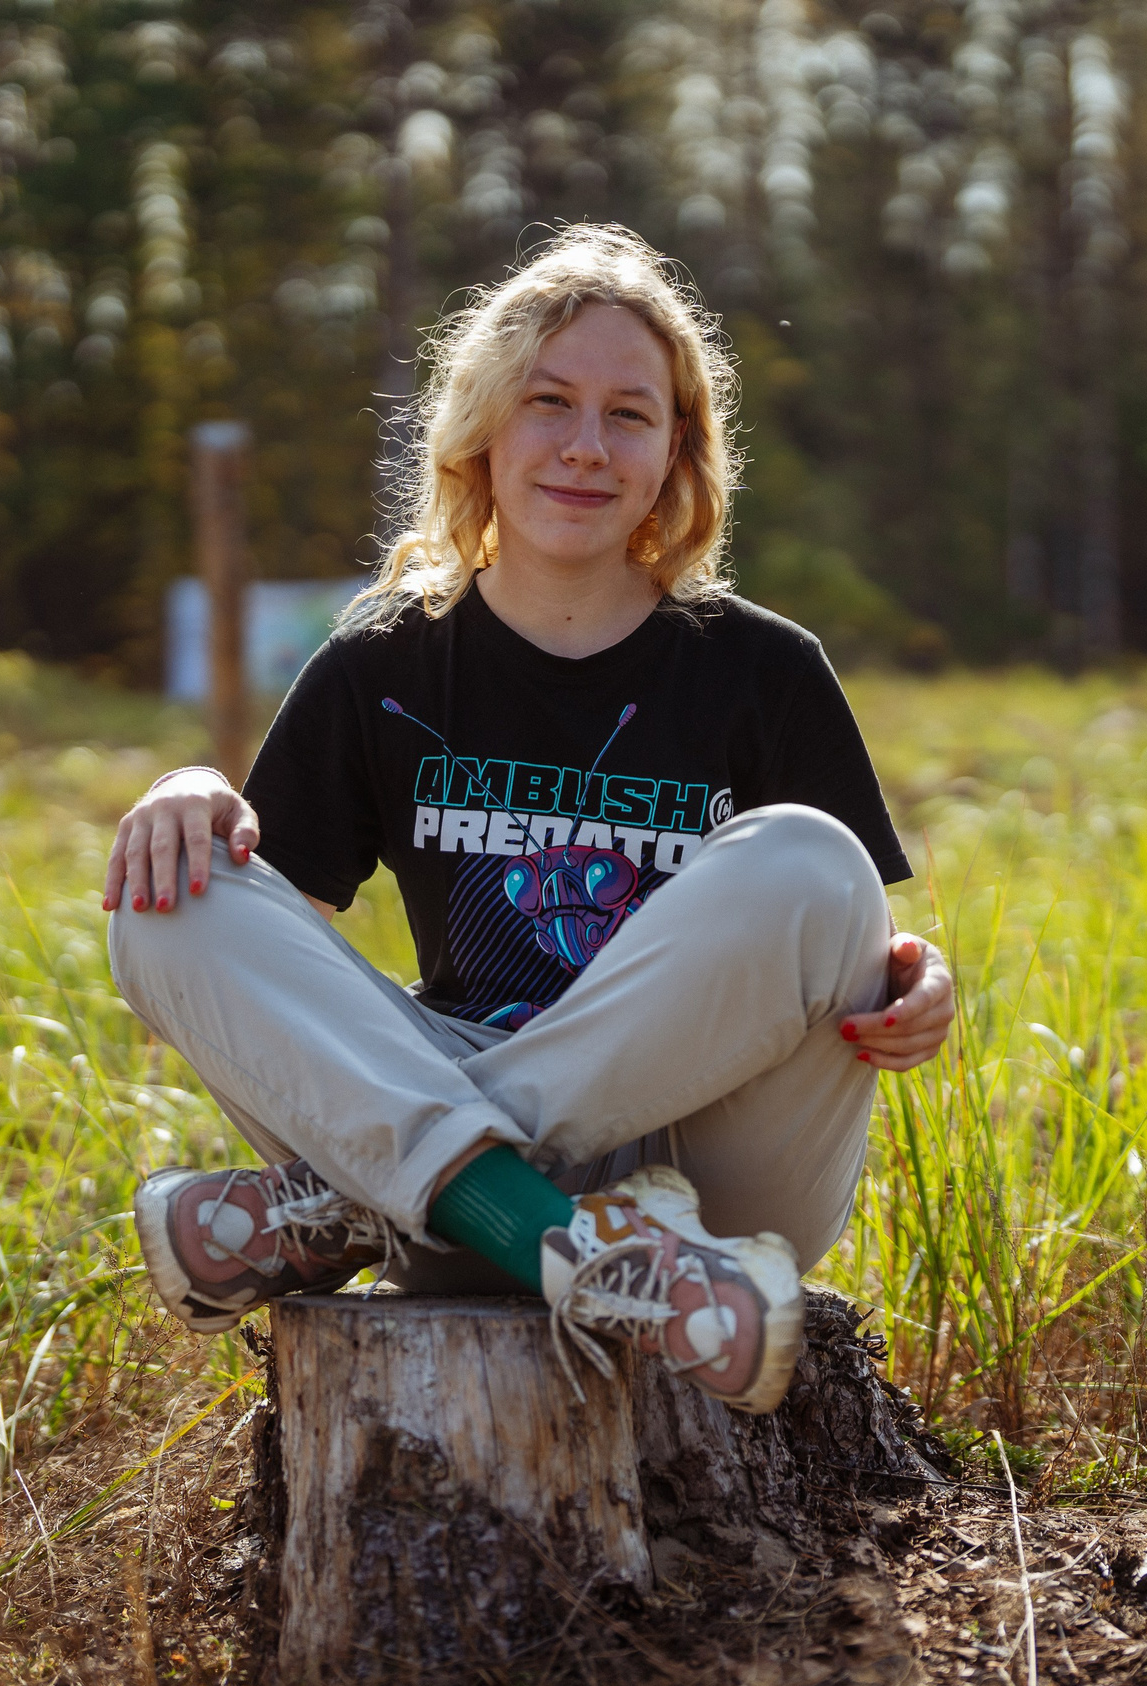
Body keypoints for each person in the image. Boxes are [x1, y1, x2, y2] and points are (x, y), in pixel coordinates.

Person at [103, 225, 953, 1415]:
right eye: (549, 401)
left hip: (706, 1186)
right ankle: (548, 1237)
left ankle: (388, 1202)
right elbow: (276, 956)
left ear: (676, 453)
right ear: (484, 428)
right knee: (170, 895)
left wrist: (914, 978)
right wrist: (187, 795)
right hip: (652, 1263)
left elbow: (828, 929)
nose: (584, 447)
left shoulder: (764, 670)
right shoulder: (379, 664)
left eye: (629, 414)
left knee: (813, 857)